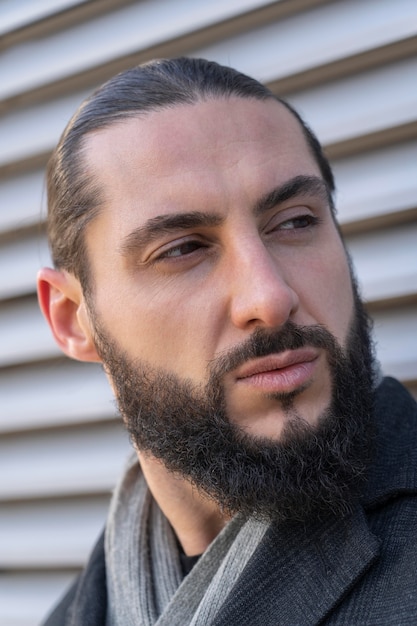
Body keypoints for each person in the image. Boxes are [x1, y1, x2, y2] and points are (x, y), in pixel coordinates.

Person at [37, 57, 417, 625]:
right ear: (72, 318)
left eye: (294, 222)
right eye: (184, 249)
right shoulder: (79, 612)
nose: (269, 297)